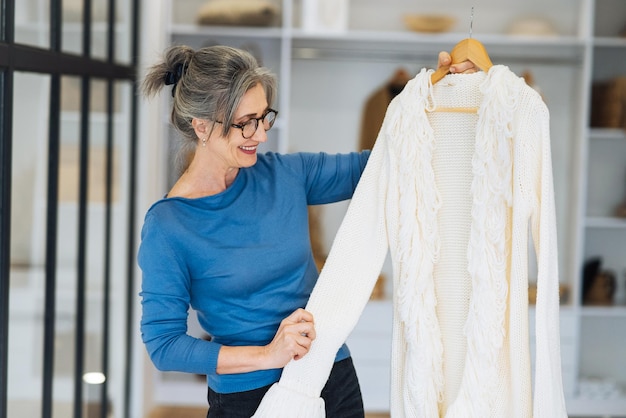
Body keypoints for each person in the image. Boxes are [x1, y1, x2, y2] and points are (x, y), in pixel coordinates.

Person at [138, 44, 475, 418]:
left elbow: (387, 163)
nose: (261, 135)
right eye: (245, 122)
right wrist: (269, 354)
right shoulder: (168, 226)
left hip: (330, 376)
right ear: (201, 126)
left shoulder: (285, 175)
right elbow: (164, 345)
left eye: (264, 117)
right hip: (248, 399)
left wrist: (441, 91)